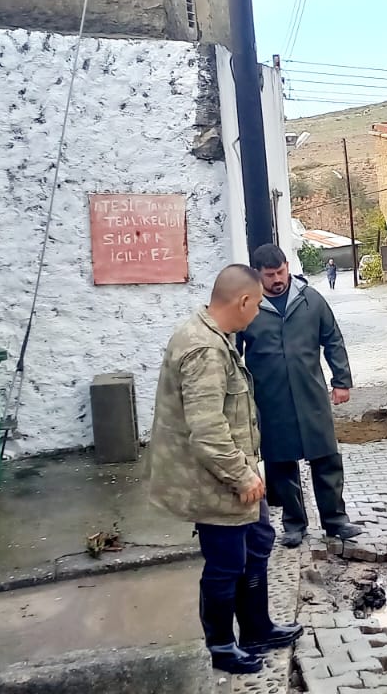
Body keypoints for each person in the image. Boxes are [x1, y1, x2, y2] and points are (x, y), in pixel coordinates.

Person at [147, 264, 303, 674]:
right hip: (214, 480)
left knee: (258, 542)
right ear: (244, 301)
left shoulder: (216, 337)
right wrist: (242, 475)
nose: (257, 316)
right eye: (257, 308)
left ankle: (257, 628)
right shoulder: (205, 350)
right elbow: (208, 432)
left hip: (235, 473)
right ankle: (221, 645)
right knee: (226, 563)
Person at [240, 244, 362, 548]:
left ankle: (336, 520)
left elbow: (333, 340)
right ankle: (294, 524)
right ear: (258, 274)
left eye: (281, 271)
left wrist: (342, 381)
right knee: (281, 465)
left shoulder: (310, 300)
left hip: (311, 395)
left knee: (326, 459)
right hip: (271, 400)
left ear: (286, 265)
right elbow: (232, 353)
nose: (278, 279)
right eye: (270, 275)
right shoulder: (248, 308)